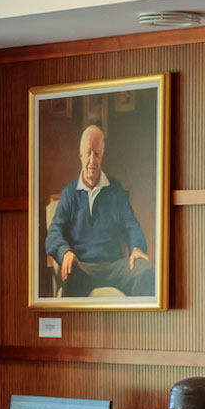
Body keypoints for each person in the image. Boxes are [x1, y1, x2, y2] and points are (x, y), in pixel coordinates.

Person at [43, 122, 154, 297]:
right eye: (88, 153)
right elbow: (54, 233)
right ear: (80, 155)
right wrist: (66, 252)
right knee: (70, 273)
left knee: (144, 270)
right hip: (81, 267)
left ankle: (139, 324)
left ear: (102, 155)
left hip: (113, 267)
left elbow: (131, 225)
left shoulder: (115, 190)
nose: (92, 161)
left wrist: (137, 248)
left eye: (97, 154)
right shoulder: (69, 193)